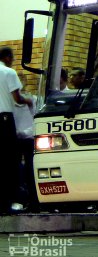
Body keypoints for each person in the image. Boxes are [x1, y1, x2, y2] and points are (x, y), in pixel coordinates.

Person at [0, 47, 32, 214]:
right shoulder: (9, 72)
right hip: (4, 119)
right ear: (7, 57)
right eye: (12, 58)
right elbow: (17, 98)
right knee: (9, 161)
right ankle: (7, 204)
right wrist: (28, 101)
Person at [14, 72, 36, 212]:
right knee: (16, 171)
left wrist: (26, 132)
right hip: (15, 139)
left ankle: (33, 200)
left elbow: (36, 119)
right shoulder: (9, 102)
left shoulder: (32, 99)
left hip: (28, 139)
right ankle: (19, 199)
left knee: (30, 170)